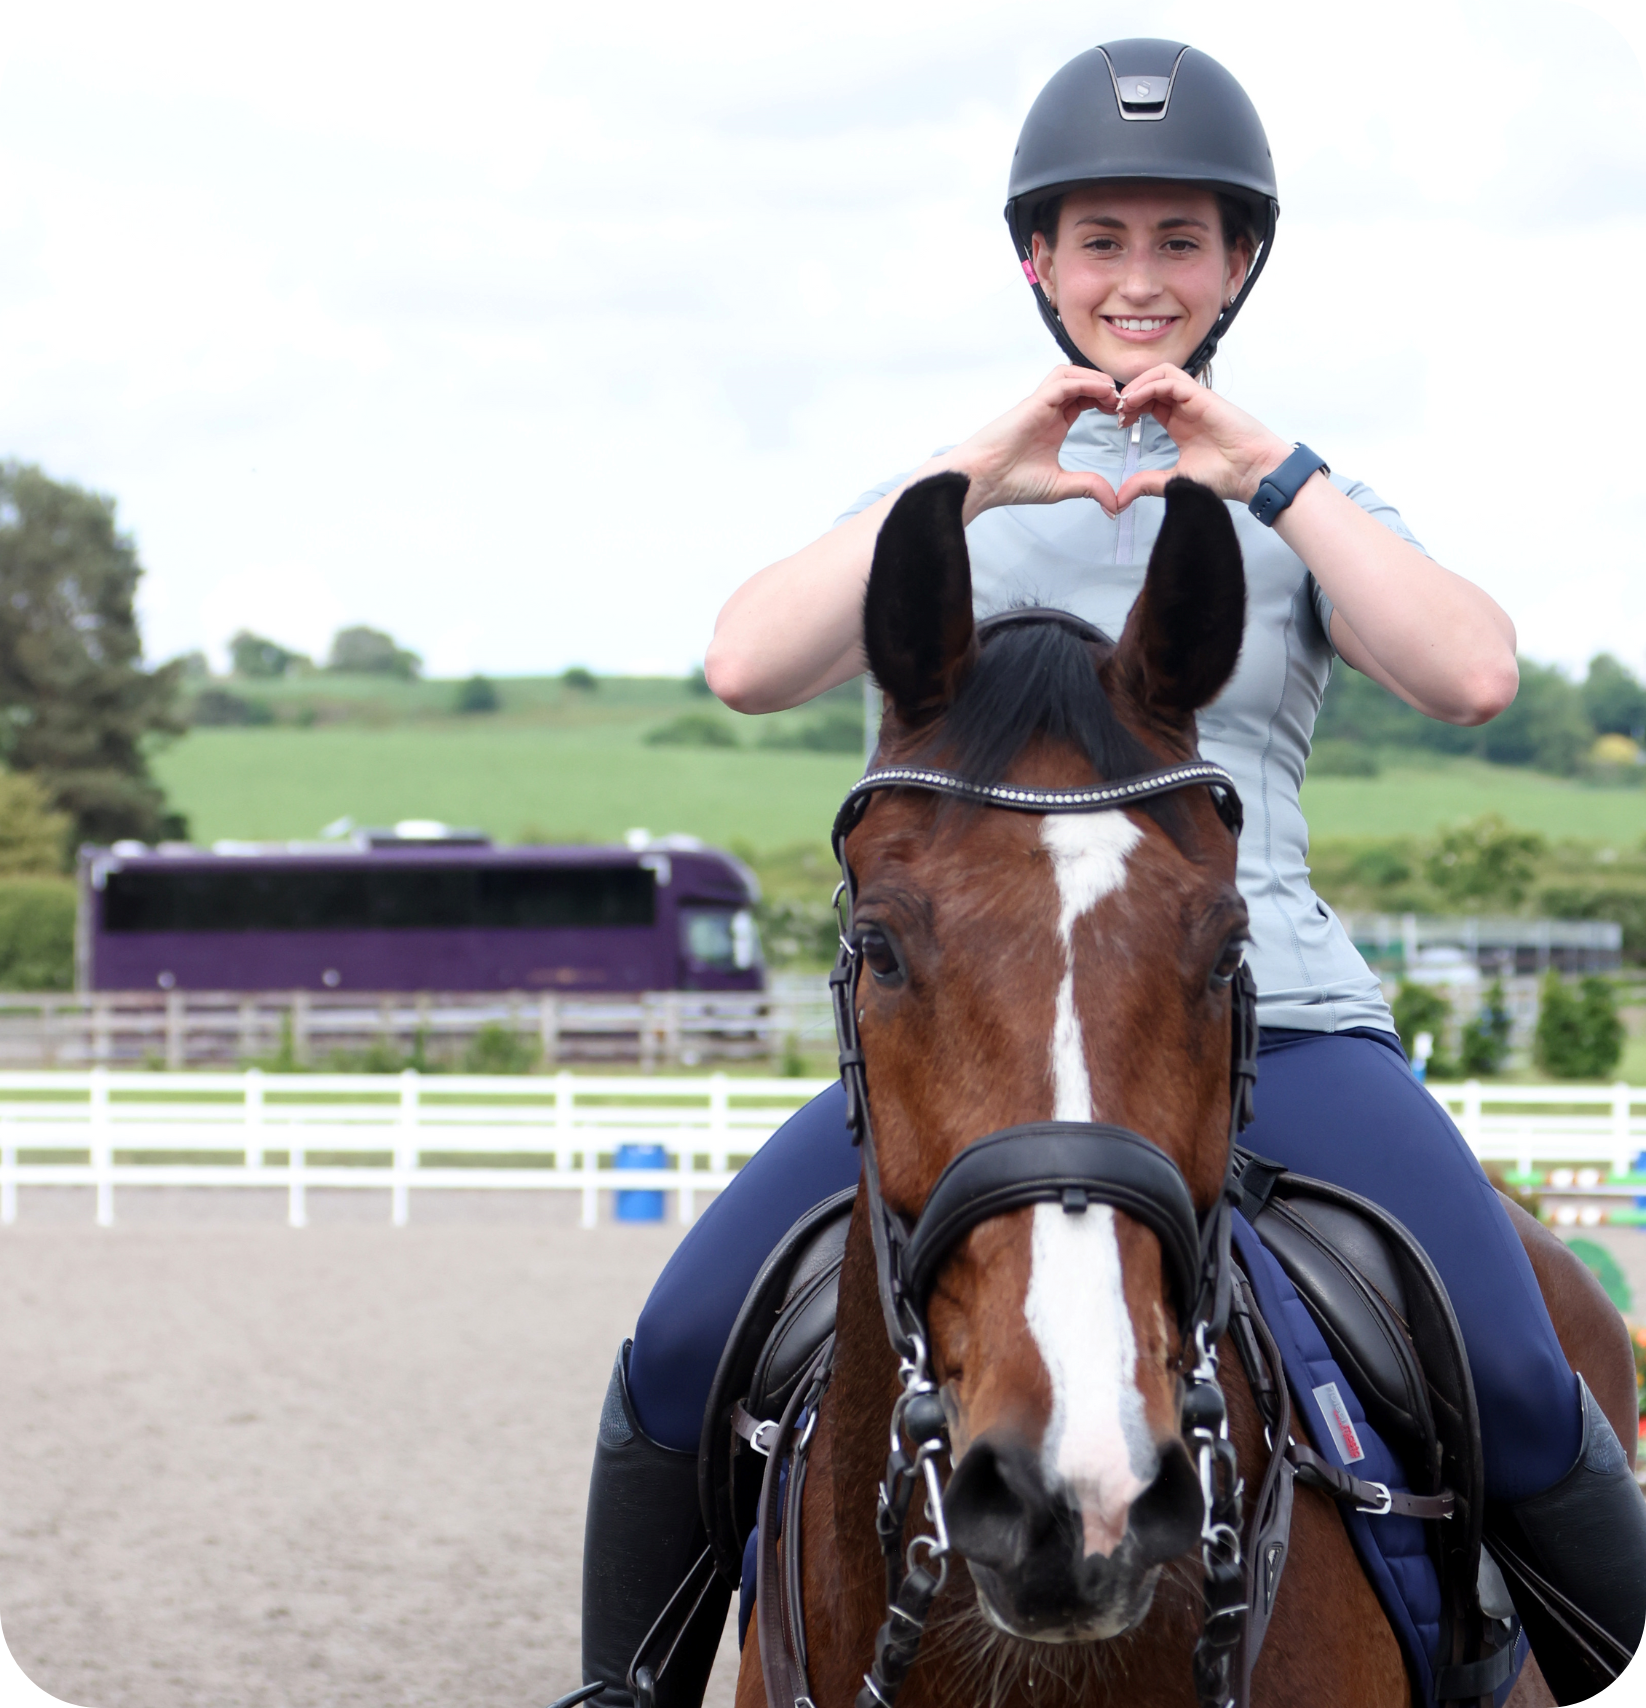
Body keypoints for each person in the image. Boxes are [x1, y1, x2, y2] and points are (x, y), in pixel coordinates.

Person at [576, 40, 1646, 1708]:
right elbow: (740, 662)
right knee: (674, 1354)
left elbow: (1473, 677)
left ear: (1236, 268)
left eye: (1177, 241)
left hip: (1264, 1017)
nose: (1136, 279)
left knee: (1519, 1362)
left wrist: (1265, 475)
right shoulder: (938, 512)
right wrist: (969, 468)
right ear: (1036, 263)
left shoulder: (1303, 507)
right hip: (965, 1041)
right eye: (1099, 240)